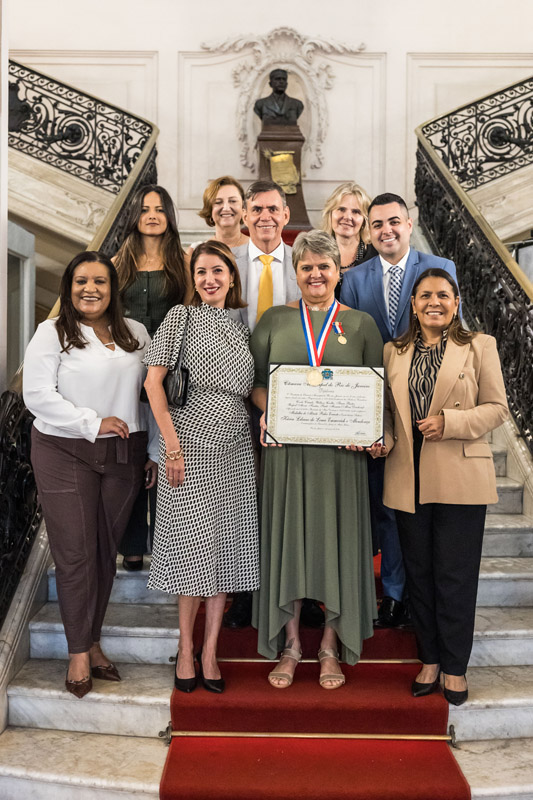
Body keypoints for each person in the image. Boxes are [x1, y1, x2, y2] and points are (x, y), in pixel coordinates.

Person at [251, 230, 383, 689]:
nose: (315, 274)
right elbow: (256, 382)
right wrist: (271, 410)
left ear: (338, 271)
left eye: (323, 267)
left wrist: (366, 432)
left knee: (337, 546)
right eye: (306, 267)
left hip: (340, 459)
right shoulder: (272, 320)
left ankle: (329, 644)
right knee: (288, 544)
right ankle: (291, 643)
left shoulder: (362, 324)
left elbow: (374, 390)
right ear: (296, 272)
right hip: (286, 454)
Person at [23, 251, 158, 698]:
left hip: (124, 451)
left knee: (104, 552)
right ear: (69, 286)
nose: (91, 289)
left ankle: (93, 640)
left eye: (100, 281)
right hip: (65, 449)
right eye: (82, 281)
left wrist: (155, 448)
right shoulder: (52, 332)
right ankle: (78, 650)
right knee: (76, 552)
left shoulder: (135, 333)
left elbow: (149, 395)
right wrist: (90, 422)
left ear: (113, 288)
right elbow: (37, 396)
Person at [374, 268, 508, 705]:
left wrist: (450, 423)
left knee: (454, 576)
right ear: (413, 303)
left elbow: (496, 409)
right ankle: (428, 658)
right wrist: (382, 441)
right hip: (406, 477)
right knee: (420, 575)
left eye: (444, 295)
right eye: (426, 295)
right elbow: (391, 416)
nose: (435, 302)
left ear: (456, 302)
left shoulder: (479, 346)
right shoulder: (393, 351)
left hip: (460, 478)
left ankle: (454, 666)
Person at [143, 240, 259, 694]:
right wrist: (171, 447)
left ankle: (211, 651)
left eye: (218, 270)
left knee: (224, 552)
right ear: (192, 280)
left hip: (237, 447)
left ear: (232, 275)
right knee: (192, 551)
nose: (209, 279)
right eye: (201, 272)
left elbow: (250, 392)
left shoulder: (242, 328)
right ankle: (186, 649)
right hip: (190, 443)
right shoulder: (180, 317)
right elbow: (153, 383)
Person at [340, 192, 459, 628]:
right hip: (378, 406)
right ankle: (392, 594)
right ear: (369, 232)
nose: (386, 230)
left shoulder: (440, 267)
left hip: (429, 407)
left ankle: (421, 592)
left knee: (424, 507)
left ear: (409, 225)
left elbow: (451, 332)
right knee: (389, 506)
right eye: (378, 225)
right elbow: (352, 342)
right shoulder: (354, 279)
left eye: (394, 222)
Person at [226, 180, 323, 631]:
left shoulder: (304, 266)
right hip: (230, 399)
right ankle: (245, 593)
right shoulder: (228, 265)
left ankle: (301, 590)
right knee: (242, 500)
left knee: (292, 497)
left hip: (291, 399)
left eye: (273, 210)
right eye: (256, 209)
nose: (265, 216)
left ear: (287, 216)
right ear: (244, 216)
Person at [113, 184, 189, 571]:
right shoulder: (117, 263)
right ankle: (131, 545)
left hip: (169, 374)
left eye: (160, 209)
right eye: (145, 209)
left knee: (163, 454)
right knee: (130, 452)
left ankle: (164, 540)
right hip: (127, 371)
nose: (153, 215)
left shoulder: (184, 262)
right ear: (135, 216)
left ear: (170, 216)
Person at [321, 181, 376, 299]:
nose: (347, 217)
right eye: (341, 209)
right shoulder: (316, 252)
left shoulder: (376, 257)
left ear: (364, 220)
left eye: (356, 212)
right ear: (330, 214)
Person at [189, 176, 248, 253]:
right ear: (209, 209)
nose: (226, 208)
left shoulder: (259, 248)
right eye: (218, 202)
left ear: (243, 206)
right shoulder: (194, 252)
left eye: (233, 201)